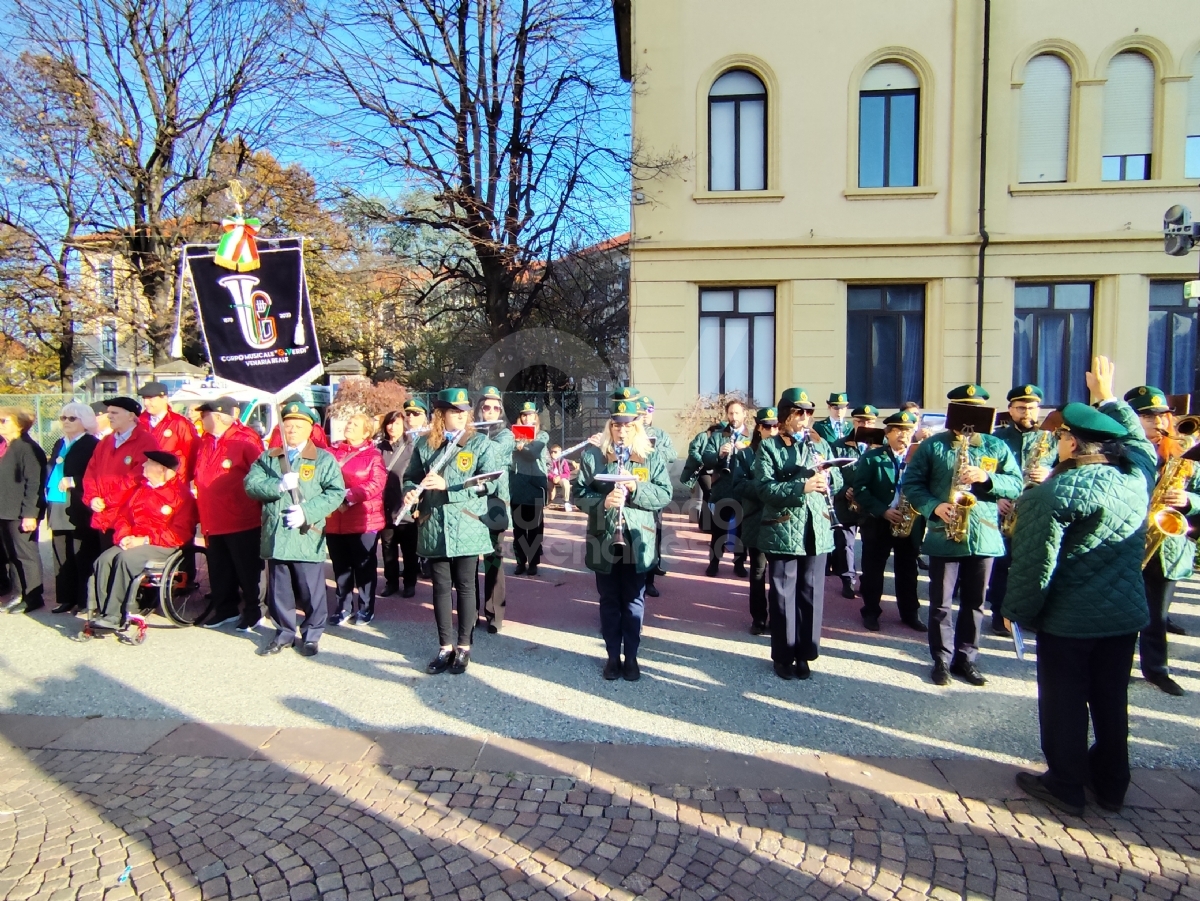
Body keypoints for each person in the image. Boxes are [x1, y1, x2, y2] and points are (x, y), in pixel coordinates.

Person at [1006, 358, 1155, 816]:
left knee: (1065, 702)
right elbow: (1139, 443)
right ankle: (1112, 785)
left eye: (1061, 437)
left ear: (1072, 442)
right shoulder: (1135, 479)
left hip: (1070, 620)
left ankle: (1066, 784)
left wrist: (1021, 614)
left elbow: (1034, 569)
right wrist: (1109, 396)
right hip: (1124, 615)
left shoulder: (1050, 495)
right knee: (1112, 699)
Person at [903, 385, 1022, 687]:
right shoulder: (933, 446)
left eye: (975, 410)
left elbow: (1016, 484)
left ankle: (966, 658)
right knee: (941, 604)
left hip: (984, 534)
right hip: (945, 533)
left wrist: (987, 477)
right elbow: (912, 485)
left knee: (975, 603)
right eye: (962, 408)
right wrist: (935, 506)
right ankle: (941, 660)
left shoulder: (995, 446)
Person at [576, 395, 672, 681]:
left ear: (636, 427)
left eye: (627, 425)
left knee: (633, 600)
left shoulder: (650, 456)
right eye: (616, 424)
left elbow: (665, 494)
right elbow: (580, 494)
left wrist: (637, 489)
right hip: (603, 537)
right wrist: (602, 502)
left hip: (637, 538)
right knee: (608, 600)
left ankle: (631, 657)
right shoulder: (593, 455)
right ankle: (611, 657)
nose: (621, 430)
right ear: (610, 426)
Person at [403, 388, 499, 674]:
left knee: (466, 586)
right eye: (454, 411)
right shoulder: (425, 445)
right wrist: (411, 494)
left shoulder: (479, 443)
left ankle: (464, 647)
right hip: (435, 524)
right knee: (441, 587)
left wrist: (451, 489)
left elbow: (489, 483)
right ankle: (445, 646)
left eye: (464, 411)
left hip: (467, 523)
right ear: (440, 415)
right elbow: (410, 478)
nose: (461, 415)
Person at [245, 400, 346, 657]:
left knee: (311, 589)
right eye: (288, 425)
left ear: (309, 429)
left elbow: (335, 493)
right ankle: (284, 633)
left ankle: (312, 634)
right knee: (280, 590)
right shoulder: (268, 458)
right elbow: (251, 485)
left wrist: (307, 511)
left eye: (298, 425)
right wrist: (276, 485)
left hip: (305, 533)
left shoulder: (322, 459)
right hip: (277, 534)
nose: (292, 430)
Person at [754, 388, 842, 680]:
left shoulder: (820, 445)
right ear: (785, 417)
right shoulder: (769, 447)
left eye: (808, 413)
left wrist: (830, 479)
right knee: (782, 595)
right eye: (798, 413)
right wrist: (800, 486)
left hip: (817, 528)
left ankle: (805, 653)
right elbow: (764, 489)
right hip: (783, 528)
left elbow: (839, 482)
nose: (805, 419)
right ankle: (783, 655)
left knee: (811, 593)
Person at [1125, 384, 1197, 697]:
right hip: (1127, 540)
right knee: (1124, 610)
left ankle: (1157, 670)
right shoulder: (1121, 450)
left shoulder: (1186, 453)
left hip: (1166, 544)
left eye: (1161, 414)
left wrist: (1188, 500)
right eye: (1147, 415)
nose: (1157, 421)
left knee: (1158, 614)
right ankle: (1117, 667)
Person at [85, 451, 198, 631]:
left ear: (161, 469)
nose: (143, 466)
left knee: (126, 560)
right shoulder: (142, 489)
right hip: (135, 540)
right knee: (104, 559)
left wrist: (144, 540)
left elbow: (179, 533)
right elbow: (123, 517)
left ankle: (115, 615)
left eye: (148, 463)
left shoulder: (181, 496)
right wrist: (124, 537)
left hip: (163, 545)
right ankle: (103, 609)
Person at [192, 396, 265, 631]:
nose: (201, 419)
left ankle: (254, 610)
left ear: (220, 416)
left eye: (205, 414)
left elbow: (261, 475)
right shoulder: (205, 441)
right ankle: (226, 609)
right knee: (219, 568)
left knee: (247, 569)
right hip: (212, 518)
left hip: (240, 517)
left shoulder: (245, 440)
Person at [850, 411, 926, 632]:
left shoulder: (919, 457)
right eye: (898, 430)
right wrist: (883, 511)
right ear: (888, 433)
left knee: (908, 570)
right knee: (873, 569)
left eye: (908, 431)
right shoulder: (873, 457)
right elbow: (861, 490)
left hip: (910, 521)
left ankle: (910, 613)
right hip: (878, 521)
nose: (903, 435)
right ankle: (871, 611)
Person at [326, 412, 386, 626]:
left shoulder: (373, 456)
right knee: (340, 567)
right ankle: (342, 607)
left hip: (363, 520)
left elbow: (376, 484)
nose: (349, 426)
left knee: (363, 566)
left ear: (366, 431)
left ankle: (366, 607)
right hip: (335, 520)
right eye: (349, 422)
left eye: (355, 424)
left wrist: (349, 495)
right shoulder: (331, 452)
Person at [82, 397, 160, 550]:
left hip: (129, 516)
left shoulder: (146, 441)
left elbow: (138, 476)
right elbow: (91, 473)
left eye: (115, 412)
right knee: (104, 561)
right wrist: (92, 497)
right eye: (109, 412)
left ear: (131, 416)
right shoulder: (105, 442)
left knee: (121, 563)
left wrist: (109, 499)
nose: (109, 416)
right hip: (104, 514)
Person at [45, 403, 101, 615]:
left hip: (78, 505)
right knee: (61, 552)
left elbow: (95, 475)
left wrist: (75, 481)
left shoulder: (92, 444)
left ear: (84, 421)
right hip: (57, 501)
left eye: (71, 418)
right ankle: (66, 598)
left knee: (81, 553)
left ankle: (85, 601)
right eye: (63, 418)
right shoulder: (59, 443)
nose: (66, 422)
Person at [828, 404, 878, 599]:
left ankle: (867, 579)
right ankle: (848, 579)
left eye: (869, 421)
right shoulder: (839, 445)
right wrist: (842, 490)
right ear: (854, 422)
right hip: (845, 502)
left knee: (870, 544)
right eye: (860, 421)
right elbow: (832, 473)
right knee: (845, 543)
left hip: (870, 503)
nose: (865, 424)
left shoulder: (880, 446)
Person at [0, 409, 47, 614]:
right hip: (4, 510)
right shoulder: (4, 445)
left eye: (3, 420)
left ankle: (33, 596)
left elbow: (34, 482)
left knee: (25, 555)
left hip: (20, 511)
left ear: (19, 424)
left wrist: (30, 513)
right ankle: (18, 592)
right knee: (11, 555)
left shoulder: (27, 448)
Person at [378, 400, 427, 598]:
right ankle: (391, 582)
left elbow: (419, 478)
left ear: (403, 426)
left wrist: (417, 503)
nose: (392, 427)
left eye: (397, 423)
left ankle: (409, 583)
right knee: (388, 548)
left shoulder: (411, 448)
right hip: (385, 506)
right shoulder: (378, 448)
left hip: (406, 506)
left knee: (409, 549)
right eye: (389, 423)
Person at [736, 407, 777, 634]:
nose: (772, 431)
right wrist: (765, 489)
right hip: (755, 519)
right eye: (767, 427)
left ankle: (778, 617)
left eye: (776, 426)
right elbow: (738, 484)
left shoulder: (784, 452)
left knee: (780, 573)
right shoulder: (745, 454)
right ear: (759, 428)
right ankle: (758, 617)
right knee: (758, 571)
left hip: (779, 520)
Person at [475, 386, 513, 630]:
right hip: (470, 503)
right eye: (485, 407)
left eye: (495, 408)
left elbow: (493, 456)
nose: (490, 412)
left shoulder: (506, 435)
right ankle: (469, 613)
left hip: (495, 504)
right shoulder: (468, 434)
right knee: (467, 563)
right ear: (478, 410)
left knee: (493, 561)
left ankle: (494, 614)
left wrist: (472, 438)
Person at [703, 399, 750, 577]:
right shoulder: (718, 436)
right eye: (731, 413)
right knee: (718, 529)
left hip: (742, 490)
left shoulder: (750, 437)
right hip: (722, 490)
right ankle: (714, 562)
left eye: (737, 413)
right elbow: (706, 459)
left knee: (741, 530)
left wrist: (744, 451)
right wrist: (719, 454)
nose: (734, 417)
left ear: (744, 414)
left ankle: (739, 563)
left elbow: (758, 462)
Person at [640, 396, 677, 598]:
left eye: (649, 410)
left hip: (653, 488)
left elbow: (671, 453)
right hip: (635, 487)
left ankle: (651, 577)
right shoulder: (632, 431)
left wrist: (652, 451)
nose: (645, 414)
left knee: (655, 532)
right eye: (642, 410)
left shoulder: (660, 434)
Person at [509, 401, 551, 582]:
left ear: (536, 417)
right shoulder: (511, 435)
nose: (527, 418)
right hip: (518, 486)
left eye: (531, 414)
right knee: (519, 530)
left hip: (535, 487)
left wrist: (521, 445)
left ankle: (533, 562)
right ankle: (520, 562)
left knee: (534, 529)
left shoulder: (542, 435)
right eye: (524, 415)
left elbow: (533, 453)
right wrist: (515, 442)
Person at [138, 381, 197, 480]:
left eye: (151, 399)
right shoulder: (139, 423)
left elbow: (192, 453)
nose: (146, 403)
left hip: (173, 483)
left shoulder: (179, 423)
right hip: (144, 482)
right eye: (144, 399)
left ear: (164, 398)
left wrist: (184, 480)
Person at [547, 445, 576, 510]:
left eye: (555, 452)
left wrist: (559, 477)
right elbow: (546, 472)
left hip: (560, 477)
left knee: (566, 483)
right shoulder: (548, 461)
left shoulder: (563, 461)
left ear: (560, 453)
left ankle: (566, 502)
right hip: (551, 478)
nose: (553, 454)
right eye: (551, 452)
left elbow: (567, 473)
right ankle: (548, 501)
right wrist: (553, 478)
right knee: (548, 485)